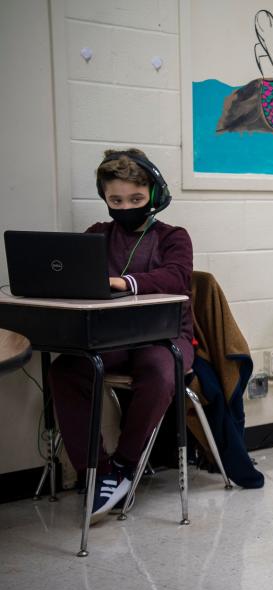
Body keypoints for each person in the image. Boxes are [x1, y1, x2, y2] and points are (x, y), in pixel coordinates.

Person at [49, 149, 194, 523]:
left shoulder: (174, 237)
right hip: (111, 338)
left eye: (135, 199)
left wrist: (124, 282)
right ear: (104, 198)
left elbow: (176, 278)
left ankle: (126, 465)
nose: (125, 206)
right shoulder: (96, 236)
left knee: (160, 372)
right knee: (66, 370)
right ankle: (96, 473)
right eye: (115, 200)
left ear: (154, 197)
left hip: (165, 337)